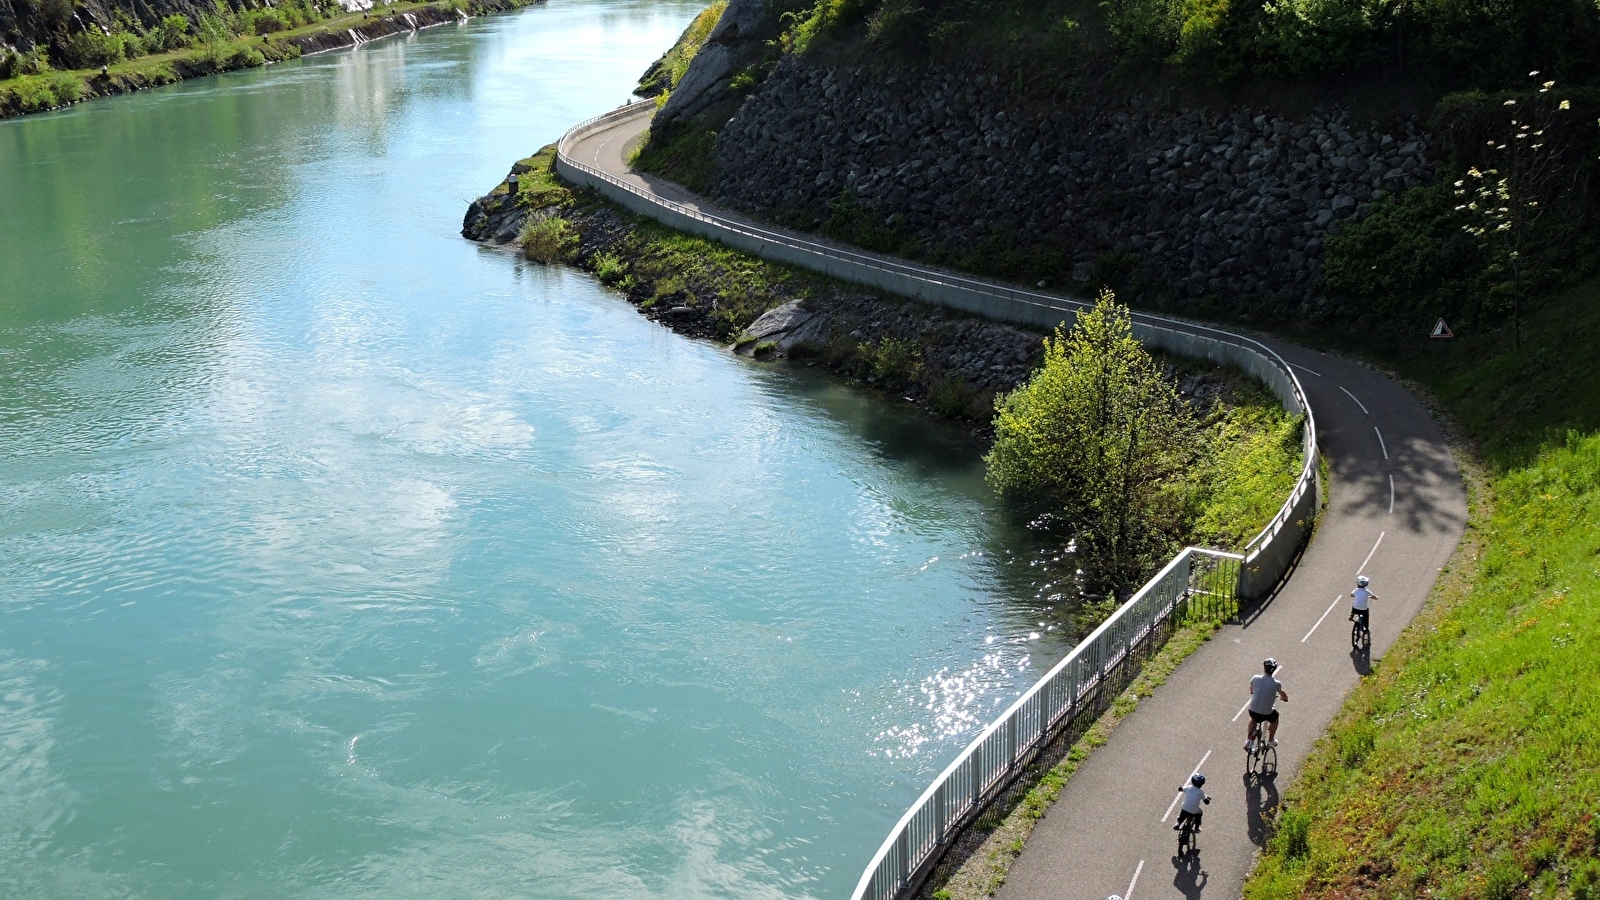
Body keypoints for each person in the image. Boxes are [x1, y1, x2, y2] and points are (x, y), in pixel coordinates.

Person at [1245, 658, 1288, 751]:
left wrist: (1254, 692)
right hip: (1267, 713)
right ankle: (1271, 740)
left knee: (1253, 719)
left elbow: (1251, 689)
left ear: (1264, 668)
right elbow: (1283, 694)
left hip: (1253, 710)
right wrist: (1284, 698)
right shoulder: (1277, 684)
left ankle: (1249, 741)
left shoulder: (1255, 678)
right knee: (1275, 717)